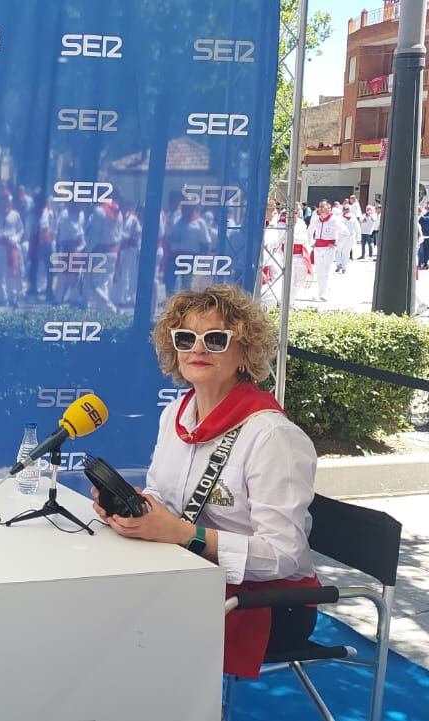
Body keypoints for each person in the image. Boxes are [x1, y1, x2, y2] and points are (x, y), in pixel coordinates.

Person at [92, 284, 318, 680]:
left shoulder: (272, 435)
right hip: (193, 575)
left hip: (268, 601)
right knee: (100, 605)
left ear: (244, 351)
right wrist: (134, 508)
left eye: (215, 339)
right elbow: (164, 496)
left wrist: (185, 535)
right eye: (185, 338)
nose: (198, 349)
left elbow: (284, 554)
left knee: (124, 628)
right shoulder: (175, 413)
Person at [307, 201, 340, 301]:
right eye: (320, 206)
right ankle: (321, 292)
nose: (321, 208)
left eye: (323, 207)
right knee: (320, 271)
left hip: (329, 248)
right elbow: (310, 230)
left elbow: (344, 232)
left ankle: (325, 293)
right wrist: (311, 242)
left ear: (329, 208)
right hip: (318, 248)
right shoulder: (316, 219)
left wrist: (336, 243)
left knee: (327, 270)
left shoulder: (334, 220)